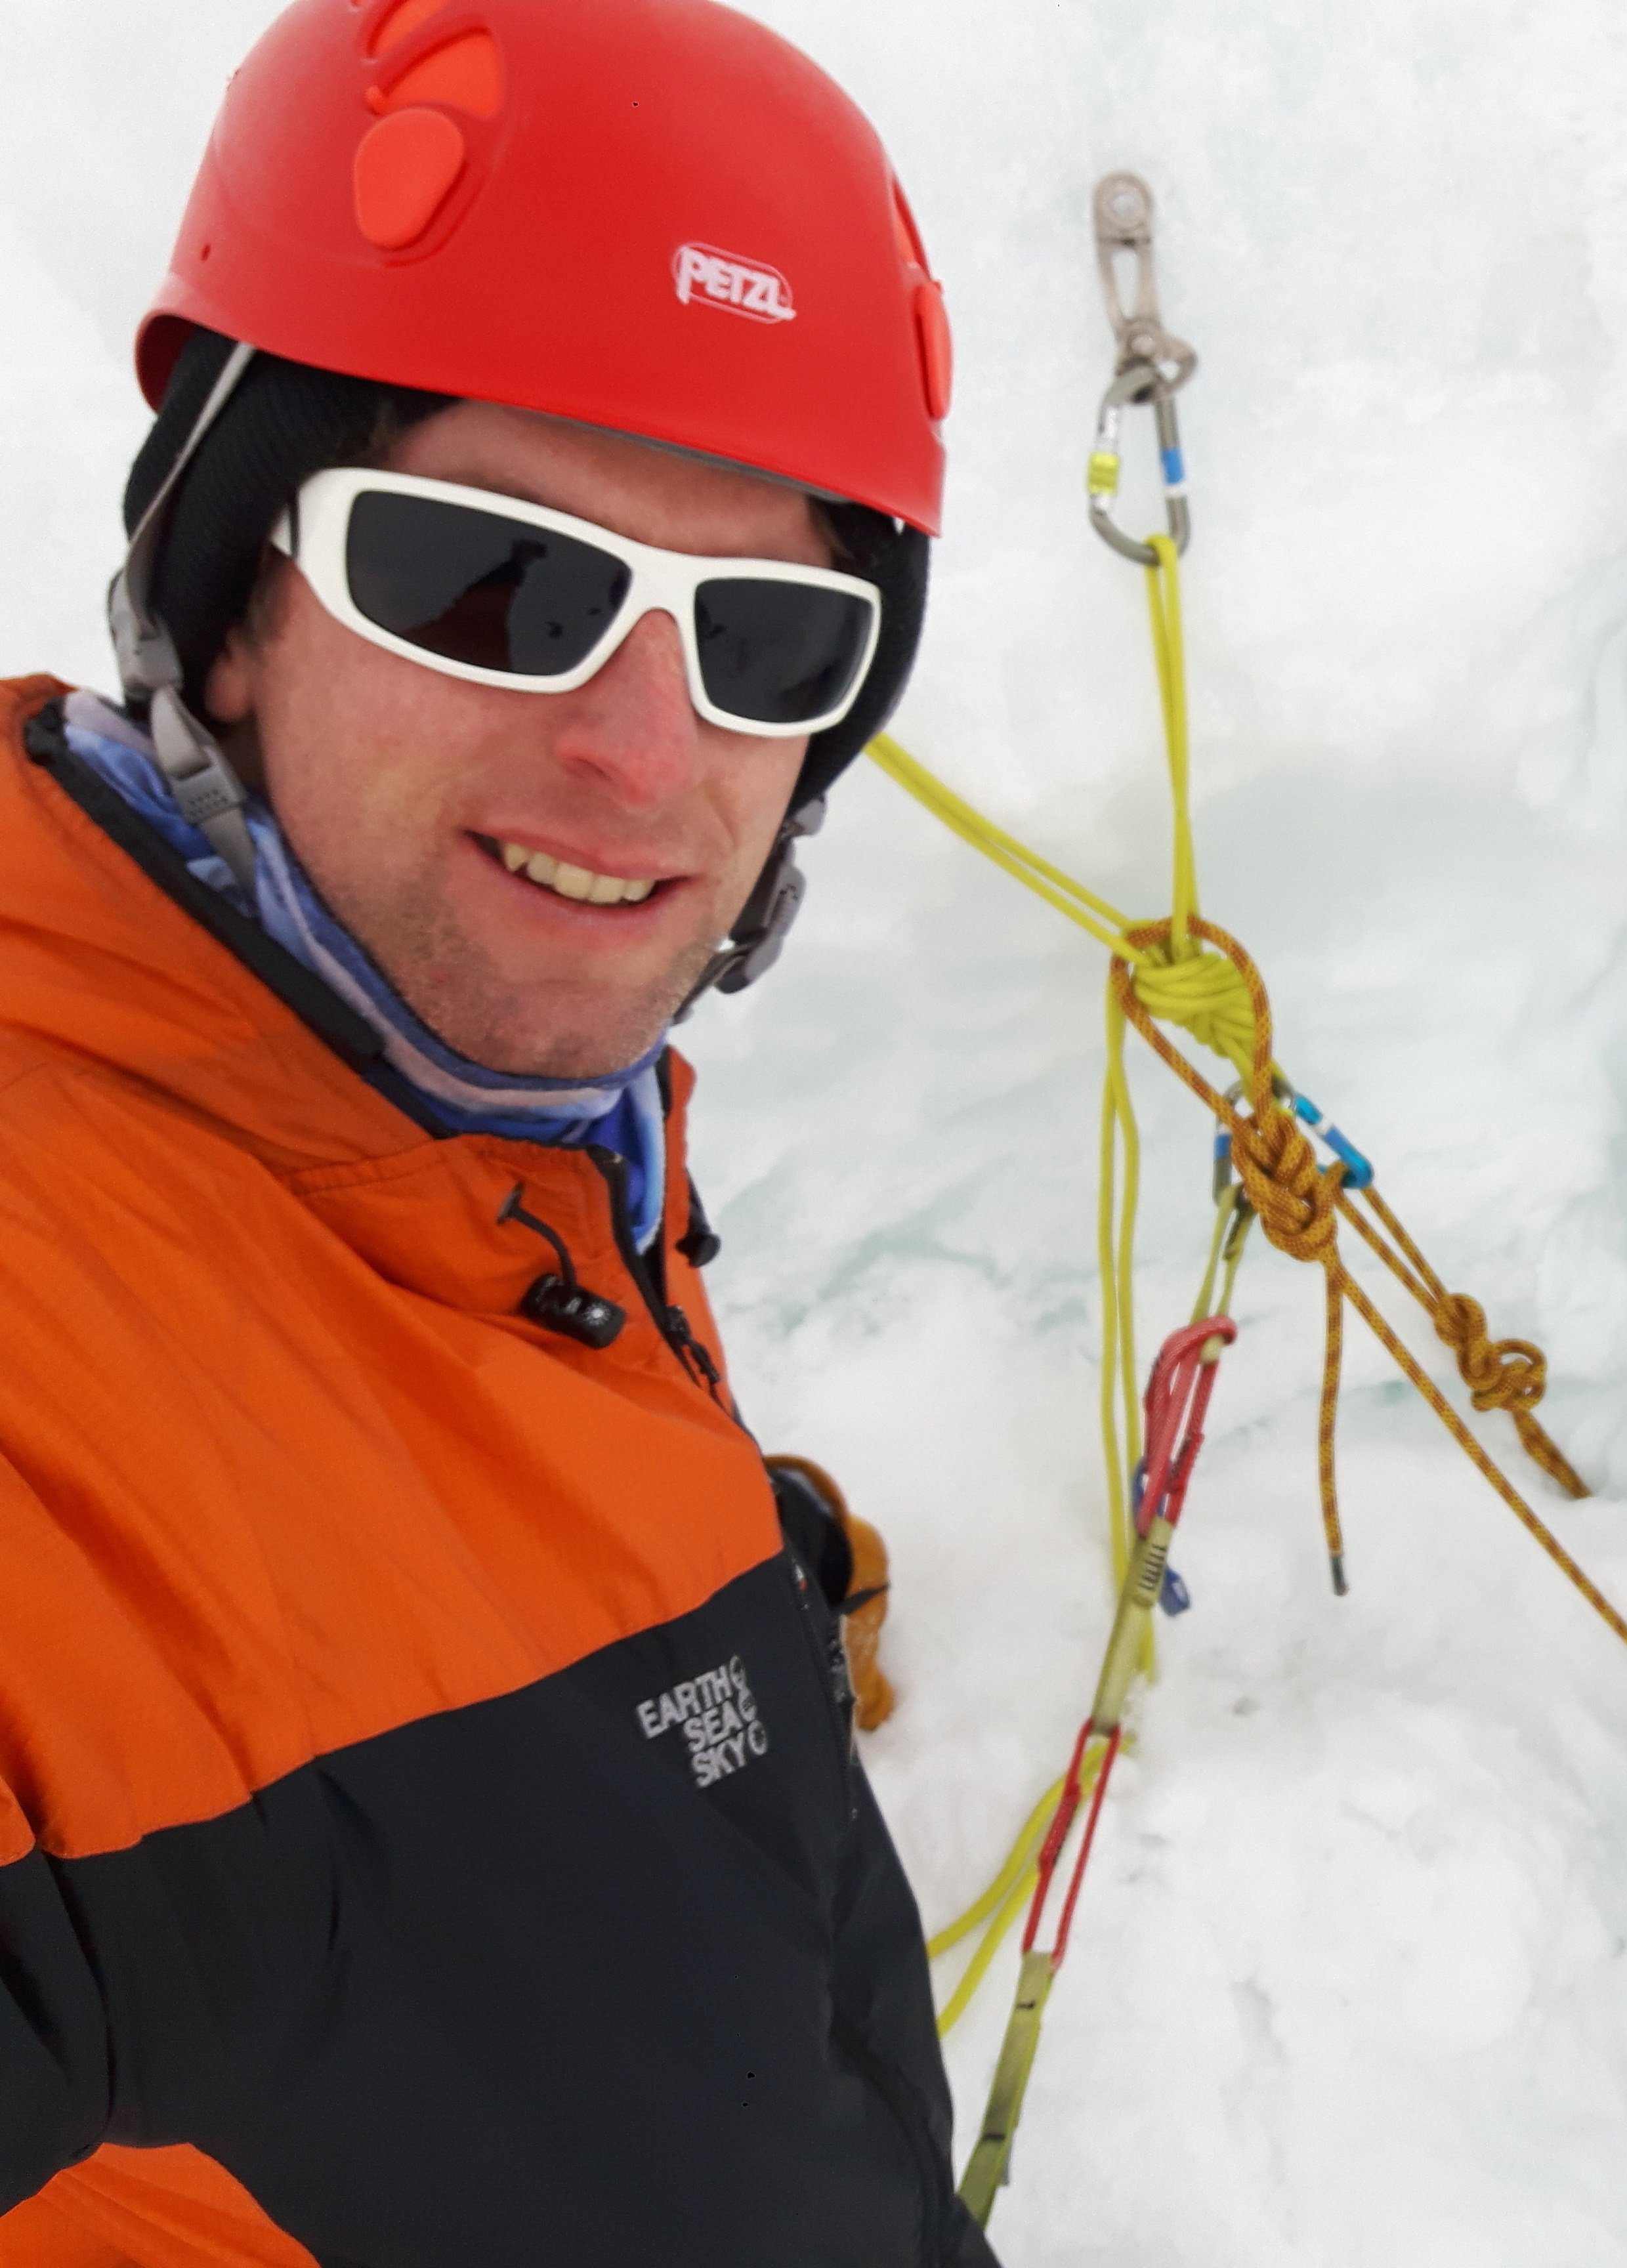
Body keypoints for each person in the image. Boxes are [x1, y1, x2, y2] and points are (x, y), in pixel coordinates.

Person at [0, 1, 986, 2260]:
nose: (644, 754)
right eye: (487, 580)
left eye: (762, 637)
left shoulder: (523, 1148)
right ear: (232, 599)